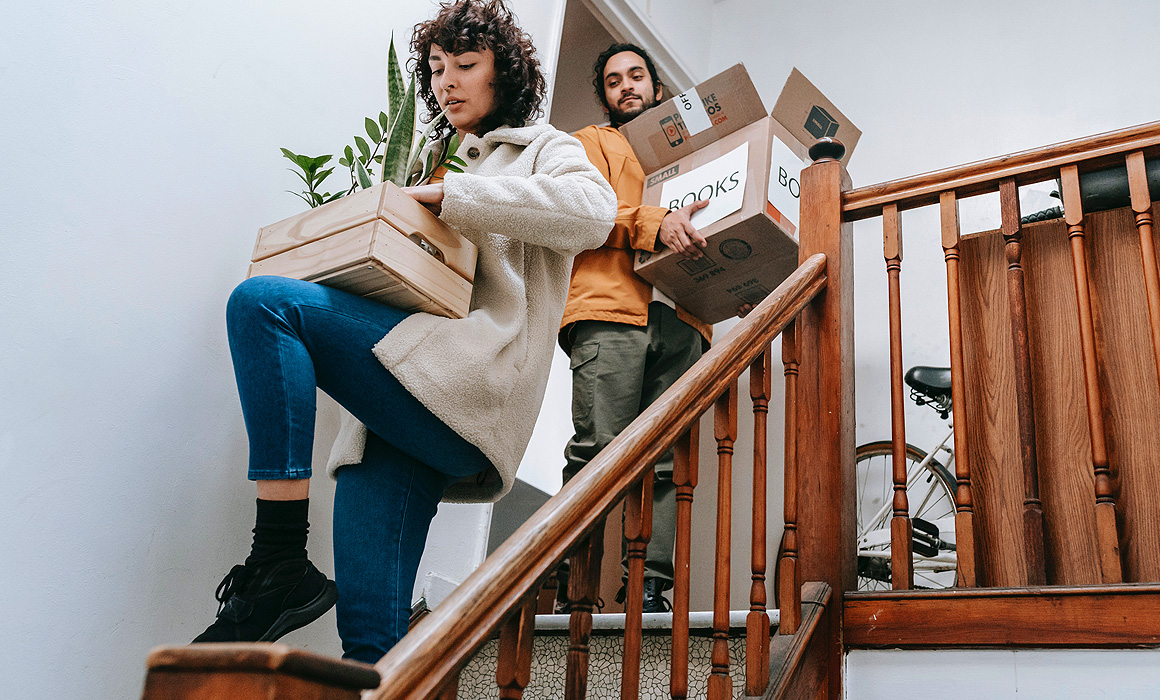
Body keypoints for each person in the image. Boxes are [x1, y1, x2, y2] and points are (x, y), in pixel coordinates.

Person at [191, 0, 616, 664]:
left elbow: (595, 214)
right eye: (438, 68)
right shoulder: (425, 163)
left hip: (465, 387)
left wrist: (456, 197)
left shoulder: (543, 149)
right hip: (392, 407)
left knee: (263, 305)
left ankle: (276, 557)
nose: (447, 81)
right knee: (370, 643)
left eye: (466, 65)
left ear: (503, 73)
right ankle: (289, 579)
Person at [559, 43, 713, 614]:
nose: (627, 86)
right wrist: (656, 223)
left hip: (683, 316)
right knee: (599, 450)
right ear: (604, 95)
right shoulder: (589, 144)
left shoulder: (696, 153)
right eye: (614, 80)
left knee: (669, 461)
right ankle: (569, 584)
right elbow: (584, 211)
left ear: (657, 87)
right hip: (609, 309)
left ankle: (649, 587)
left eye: (637, 75)